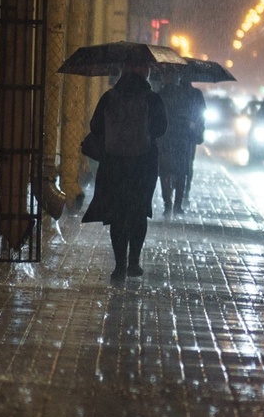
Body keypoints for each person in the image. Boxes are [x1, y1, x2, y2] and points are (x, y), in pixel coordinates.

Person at [83, 51, 168, 280]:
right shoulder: (152, 99)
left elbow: (95, 126)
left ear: (123, 69)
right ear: (145, 71)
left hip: (115, 163)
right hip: (144, 164)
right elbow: (161, 129)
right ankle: (134, 262)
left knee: (119, 213)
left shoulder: (109, 97)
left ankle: (119, 265)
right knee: (139, 211)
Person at [156, 68, 206, 215]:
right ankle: (177, 204)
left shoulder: (161, 94)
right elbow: (197, 115)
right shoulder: (187, 96)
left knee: (165, 169)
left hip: (166, 136)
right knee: (182, 170)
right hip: (183, 136)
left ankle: (168, 204)